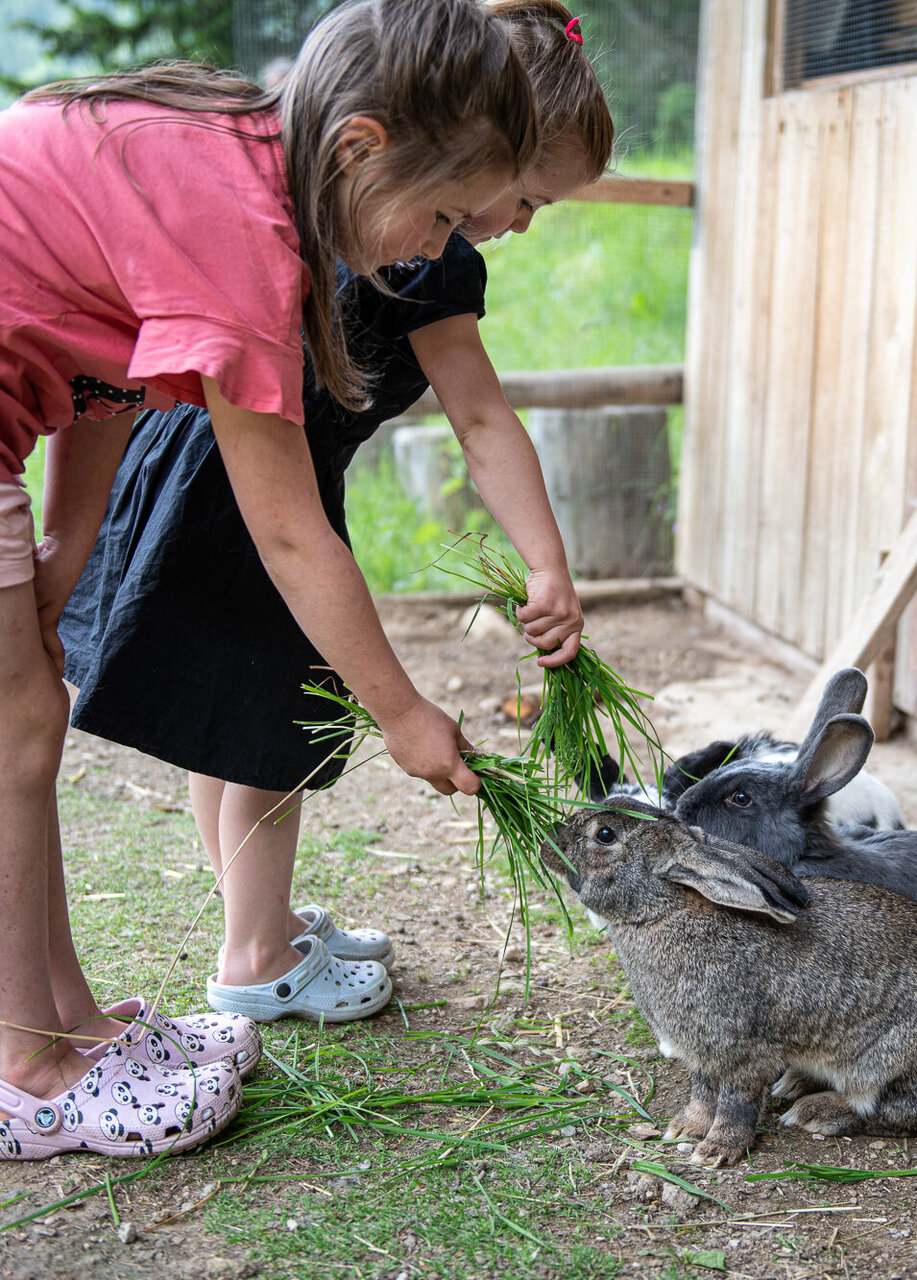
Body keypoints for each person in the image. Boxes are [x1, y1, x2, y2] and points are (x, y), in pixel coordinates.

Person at [0, 0, 564, 1160]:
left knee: (27, 722)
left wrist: (63, 553)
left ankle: (70, 1022)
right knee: (12, 733)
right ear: (360, 146)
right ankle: (27, 1063)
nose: (438, 245)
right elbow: (293, 533)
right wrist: (404, 716)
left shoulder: (247, 160)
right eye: (444, 212)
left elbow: (103, 371)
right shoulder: (247, 238)